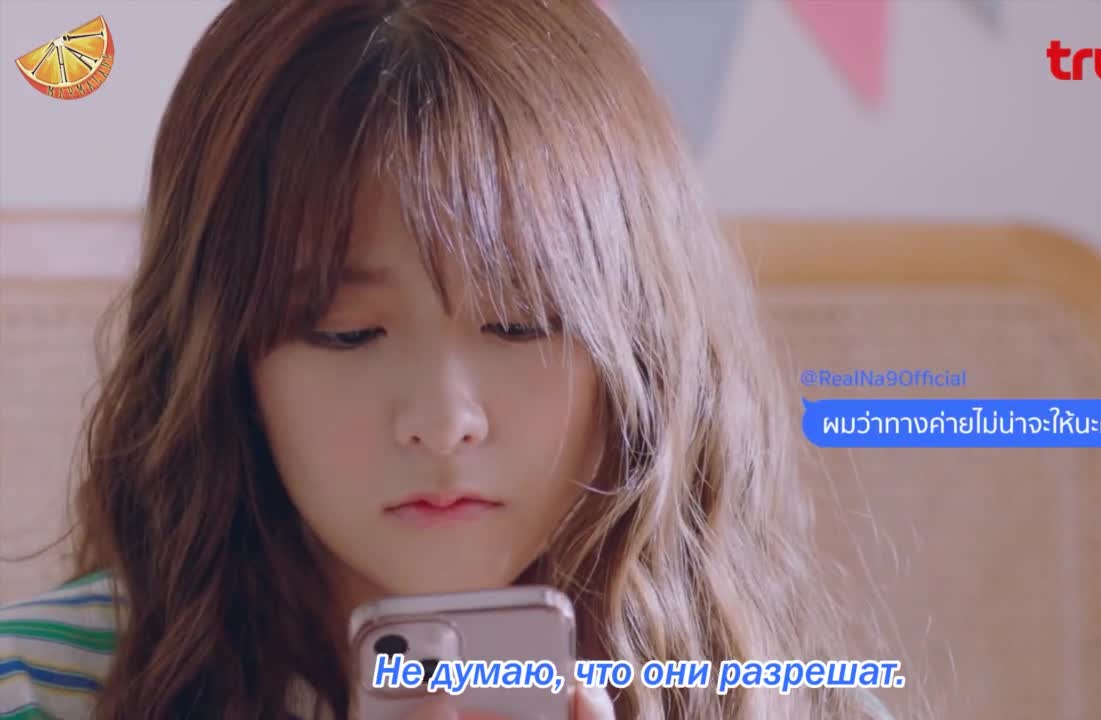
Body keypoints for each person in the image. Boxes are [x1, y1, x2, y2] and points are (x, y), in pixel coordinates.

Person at [0, 1, 894, 718]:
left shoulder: (796, 702)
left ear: (643, 347)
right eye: (347, 333)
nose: (441, 421)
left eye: (520, 325)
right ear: (224, 359)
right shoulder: (34, 686)